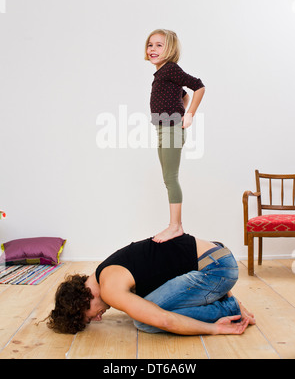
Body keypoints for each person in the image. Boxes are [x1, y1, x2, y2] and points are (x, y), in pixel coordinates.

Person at [47, 233, 255, 335]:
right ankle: (226, 298)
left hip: (217, 268)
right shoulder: (105, 270)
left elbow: (165, 320)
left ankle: (228, 308)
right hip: (217, 258)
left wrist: (214, 329)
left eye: (90, 317)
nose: (98, 318)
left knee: (144, 321)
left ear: (84, 299)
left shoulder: (109, 287)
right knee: (145, 308)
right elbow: (177, 262)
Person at [145, 29, 205, 242]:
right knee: (167, 177)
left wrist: (188, 116)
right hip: (162, 129)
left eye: (159, 45)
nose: (153, 49)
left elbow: (198, 87)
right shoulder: (161, 74)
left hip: (171, 129)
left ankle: (175, 226)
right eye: (150, 45)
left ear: (170, 49)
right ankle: (174, 225)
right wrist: (180, 110)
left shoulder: (170, 68)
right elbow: (184, 95)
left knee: (171, 178)